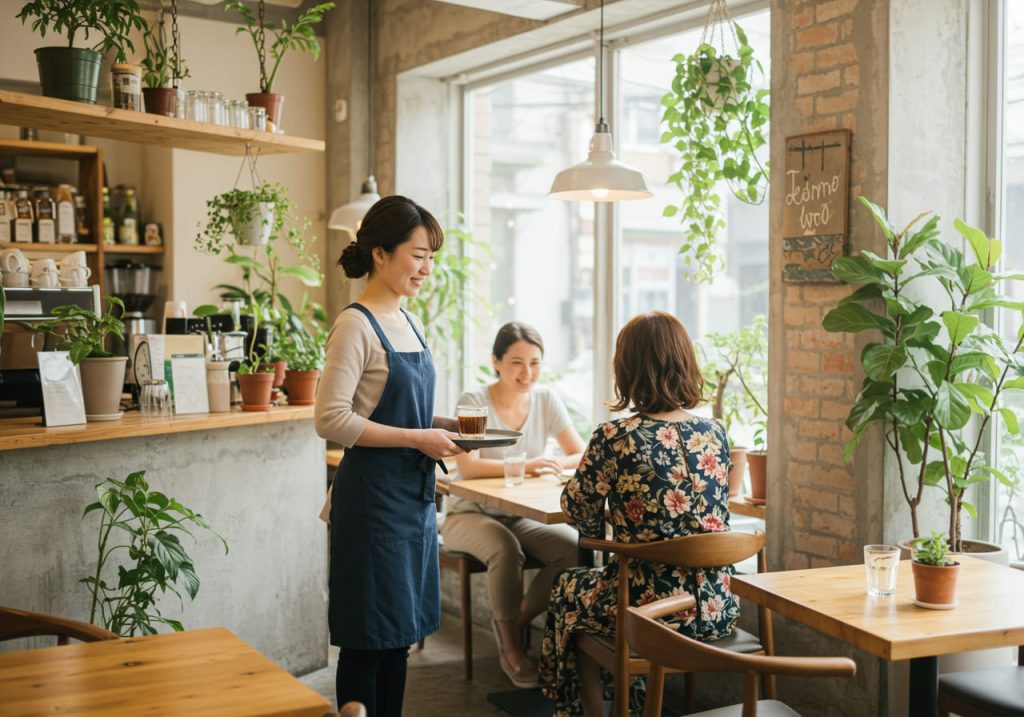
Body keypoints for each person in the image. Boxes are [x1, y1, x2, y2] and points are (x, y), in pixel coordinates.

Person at [538, 311, 739, 717]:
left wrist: (614, 524)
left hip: (648, 611)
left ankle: (593, 713)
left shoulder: (616, 436)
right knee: (606, 589)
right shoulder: (714, 432)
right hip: (717, 606)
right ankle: (632, 702)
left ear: (626, 368)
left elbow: (578, 511)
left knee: (566, 589)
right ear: (685, 363)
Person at [314, 195, 464, 717]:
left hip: (412, 502)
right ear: (380, 253)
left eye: (431, 257)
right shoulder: (355, 325)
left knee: (398, 637)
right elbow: (330, 420)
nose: (426, 268)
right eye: (418, 255)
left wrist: (441, 425)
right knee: (366, 639)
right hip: (371, 505)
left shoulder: (410, 321)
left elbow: (402, 412)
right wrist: (417, 438)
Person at [442, 322, 586, 689]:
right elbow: (469, 467)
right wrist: (530, 464)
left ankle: (514, 620)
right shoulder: (473, 401)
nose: (528, 373)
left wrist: (552, 463)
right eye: (518, 362)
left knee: (571, 548)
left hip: (517, 514)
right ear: (495, 361)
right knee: (505, 550)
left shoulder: (546, 399)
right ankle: (510, 647)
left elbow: (579, 452)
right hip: (467, 514)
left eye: (535, 363)